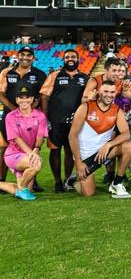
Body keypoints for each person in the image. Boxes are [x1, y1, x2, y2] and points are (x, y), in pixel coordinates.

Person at [67, 80, 131, 198]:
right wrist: (78, 161)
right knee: (88, 193)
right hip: (85, 157)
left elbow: (126, 134)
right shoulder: (85, 107)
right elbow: (72, 136)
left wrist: (108, 145)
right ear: (98, 92)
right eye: (106, 91)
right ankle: (73, 181)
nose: (109, 95)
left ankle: (117, 183)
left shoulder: (116, 110)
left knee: (128, 146)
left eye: (112, 92)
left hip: (103, 153)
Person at [40, 49, 88, 193]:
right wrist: (45, 117)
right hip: (56, 121)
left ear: (78, 59)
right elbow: (44, 96)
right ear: (63, 60)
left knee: (70, 151)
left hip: (75, 122)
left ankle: (67, 180)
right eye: (67, 57)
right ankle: (57, 182)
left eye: (73, 56)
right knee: (54, 151)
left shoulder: (84, 78)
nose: (70, 59)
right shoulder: (54, 75)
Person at [0, 46, 47, 188]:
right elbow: (1, 94)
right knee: (4, 147)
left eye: (28, 55)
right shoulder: (7, 72)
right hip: (10, 116)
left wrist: (32, 111)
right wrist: (15, 110)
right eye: (22, 54)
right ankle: (1, 179)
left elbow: (41, 96)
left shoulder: (40, 74)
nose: (25, 57)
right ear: (18, 56)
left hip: (31, 119)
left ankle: (32, 177)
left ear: (33, 58)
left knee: (31, 146)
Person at [0, 87, 46, 200]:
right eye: (21, 98)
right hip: (13, 154)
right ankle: (21, 186)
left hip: (29, 153)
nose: (24, 100)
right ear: (16, 100)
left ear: (32, 99)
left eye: (27, 98)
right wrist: (32, 154)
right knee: (36, 163)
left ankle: (19, 187)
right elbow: (17, 139)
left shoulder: (40, 116)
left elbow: (40, 136)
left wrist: (36, 150)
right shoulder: (10, 116)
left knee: (26, 192)